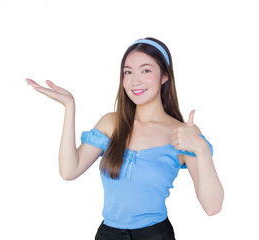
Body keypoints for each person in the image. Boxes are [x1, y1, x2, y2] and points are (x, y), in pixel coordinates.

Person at [25, 37, 224, 240]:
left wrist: (202, 149)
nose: (135, 80)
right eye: (128, 72)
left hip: (154, 235)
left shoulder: (182, 132)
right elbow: (69, 171)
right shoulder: (111, 124)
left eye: (146, 71)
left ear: (164, 75)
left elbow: (212, 207)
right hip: (107, 235)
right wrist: (69, 107)